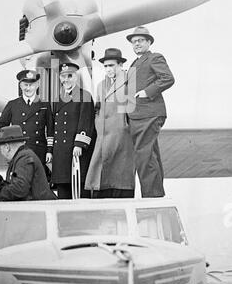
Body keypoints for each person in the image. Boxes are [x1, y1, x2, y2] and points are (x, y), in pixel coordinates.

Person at [126, 26, 175, 197]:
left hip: (149, 113)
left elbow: (168, 78)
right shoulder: (133, 63)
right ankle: (156, 196)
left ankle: (151, 197)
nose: (137, 44)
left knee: (144, 156)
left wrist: (147, 92)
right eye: (134, 42)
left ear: (148, 42)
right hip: (138, 115)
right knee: (149, 154)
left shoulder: (154, 57)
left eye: (140, 40)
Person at [85, 48, 135, 198]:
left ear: (120, 65)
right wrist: (98, 124)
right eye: (106, 66)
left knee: (120, 173)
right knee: (100, 172)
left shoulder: (128, 82)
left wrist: (125, 125)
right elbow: (97, 108)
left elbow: (133, 108)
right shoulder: (101, 85)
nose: (108, 69)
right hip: (103, 135)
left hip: (122, 135)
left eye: (111, 65)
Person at [51, 63, 96, 199]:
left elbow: (86, 121)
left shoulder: (84, 96)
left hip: (76, 153)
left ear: (76, 77)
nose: (66, 80)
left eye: (69, 76)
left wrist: (79, 144)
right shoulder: (56, 98)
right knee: (63, 194)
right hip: (60, 154)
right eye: (63, 76)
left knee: (80, 194)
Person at [0, 70, 54, 174]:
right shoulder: (12, 105)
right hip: (19, 152)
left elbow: (50, 130)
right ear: (20, 86)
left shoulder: (45, 105)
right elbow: (1, 125)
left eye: (31, 85)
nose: (28, 88)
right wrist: (7, 146)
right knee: (20, 184)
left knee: (38, 185)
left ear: (37, 85)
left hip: (39, 151)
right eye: (25, 85)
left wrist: (49, 151)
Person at [0, 125, 56, 202]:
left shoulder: (24, 158)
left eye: (0, 148)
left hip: (39, 208)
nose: (0, 152)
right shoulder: (22, 156)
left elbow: (19, 189)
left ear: (7, 147)